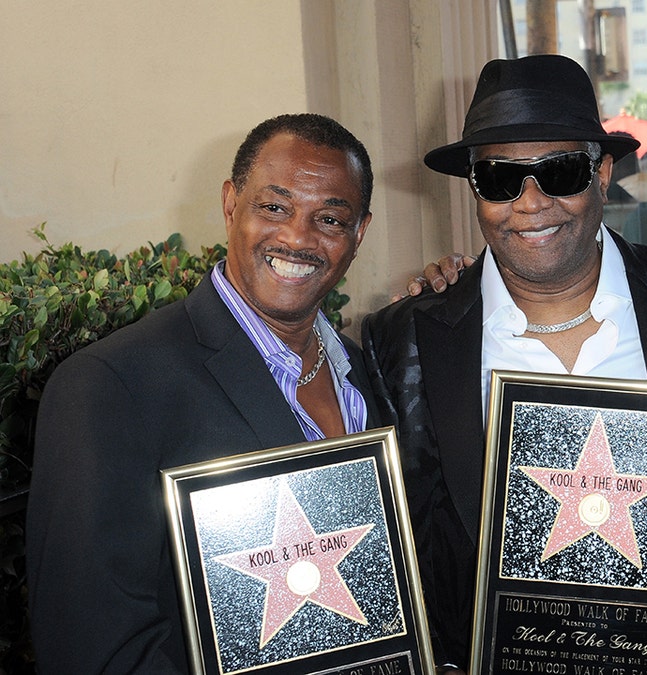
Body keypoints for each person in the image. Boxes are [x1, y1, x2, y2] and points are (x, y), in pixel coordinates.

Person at [362, 54, 647, 674]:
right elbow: (407, 540)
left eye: (559, 172)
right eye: (501, 180)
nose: (531, 203)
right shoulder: (406, 338)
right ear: (475, 191)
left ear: (602, 172)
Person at [25, 113, 381, 673]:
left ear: (357, 235)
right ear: (230, 203)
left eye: (329, 219)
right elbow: (90, 647)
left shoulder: (368, 376)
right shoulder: (110, 385)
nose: (297, 237)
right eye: (275, 207)